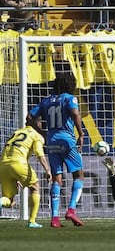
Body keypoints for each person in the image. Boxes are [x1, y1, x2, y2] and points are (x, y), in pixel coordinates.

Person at [27, 72, 86, 228]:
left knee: (56, 178)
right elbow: (75, 113)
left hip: (52, 141)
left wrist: (42, 133)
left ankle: (54, 218)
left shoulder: (46, 101)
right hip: (66, 139)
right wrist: (81, 133)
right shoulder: (69, 98)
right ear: (70, 85)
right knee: (78, 175)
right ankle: (71, 209)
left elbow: (29, 117)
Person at [0, 118, 52, 228]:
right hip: (18, 163)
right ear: (38, 124)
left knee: (9, 200)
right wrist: (47, 170)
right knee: (35, 187)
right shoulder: (36, 135)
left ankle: (0, 202)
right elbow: (39, 153)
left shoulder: (17, 132)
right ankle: (32, 221)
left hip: (3, 165)